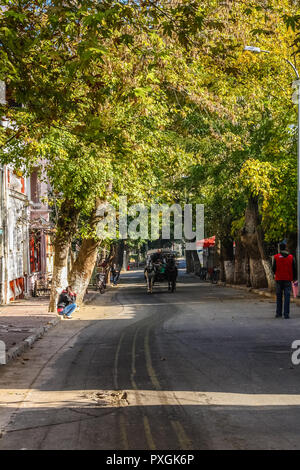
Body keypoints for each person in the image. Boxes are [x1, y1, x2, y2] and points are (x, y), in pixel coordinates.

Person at [272, 242, 297, 319]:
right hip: (288, 279)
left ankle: (278, 313)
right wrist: (294, 278)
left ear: (279, 248)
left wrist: (276, 273)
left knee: (279, 297)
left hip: (279, 279)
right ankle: (286, 314)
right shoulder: (291, 257)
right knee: (287, 297)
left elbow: (273, 268)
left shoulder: (275, 257)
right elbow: (294, 269)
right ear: (286, 248)